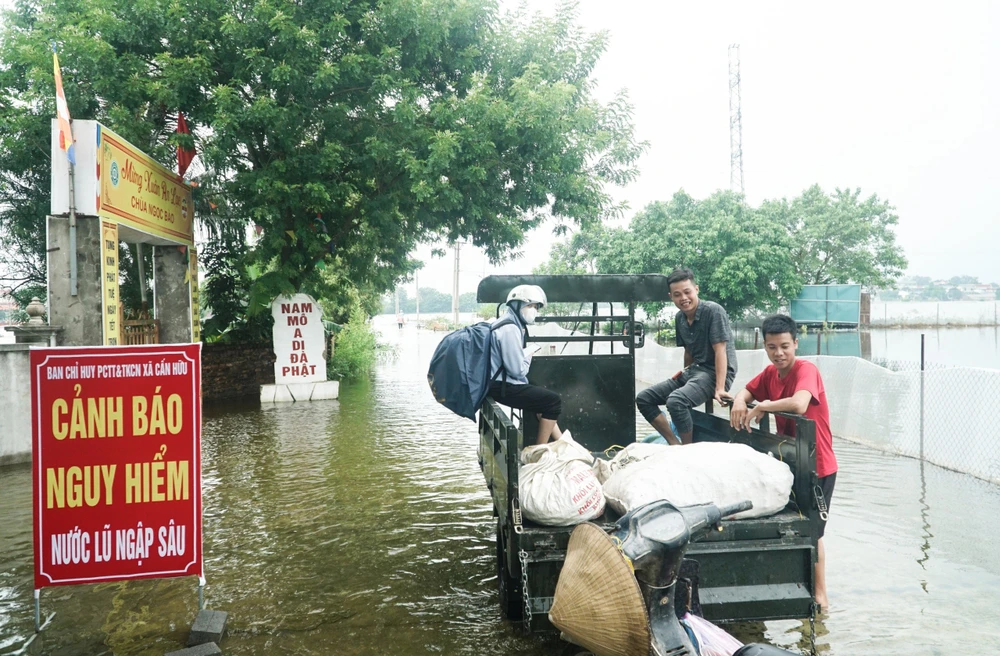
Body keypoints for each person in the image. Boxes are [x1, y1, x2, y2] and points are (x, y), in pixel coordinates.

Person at [723, 314, 838, 611]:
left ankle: (821, 597)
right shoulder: (770, 374)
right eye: (772, 347)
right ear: (765, 346)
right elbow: (747, 389)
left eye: (785, 346)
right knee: (792, 525)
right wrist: (739, 400)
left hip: (818, 466)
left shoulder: (806, 370)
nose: (779, 353)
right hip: (790, 462)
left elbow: (800, 403)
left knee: (813, 532)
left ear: (796, 343)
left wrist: (763, 405)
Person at [636, 268, 737, 445]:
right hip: (695, 372)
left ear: (696, 289)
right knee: (644, 398)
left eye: (687, 292)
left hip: (715, 373)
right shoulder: (680, 318)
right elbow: (688, 352)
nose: (683, 298)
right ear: (671, 296)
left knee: (676, 401)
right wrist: (684, 374)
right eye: (677, 294)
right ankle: (675, 444)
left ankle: (687, 450)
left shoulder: (713, 311)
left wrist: (720, 388)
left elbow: (721, 351)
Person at [488, 284, 563, 445]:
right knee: (553, 401)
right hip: (502, 386)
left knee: (541, 396)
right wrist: (529, 355)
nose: (533, 310)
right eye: (529, 305)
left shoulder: (512, 324)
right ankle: (539, 449)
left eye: (535, 307)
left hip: (501, 383)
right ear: (516, 305)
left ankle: (564, 443)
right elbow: (517, 371)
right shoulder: (509, 328)